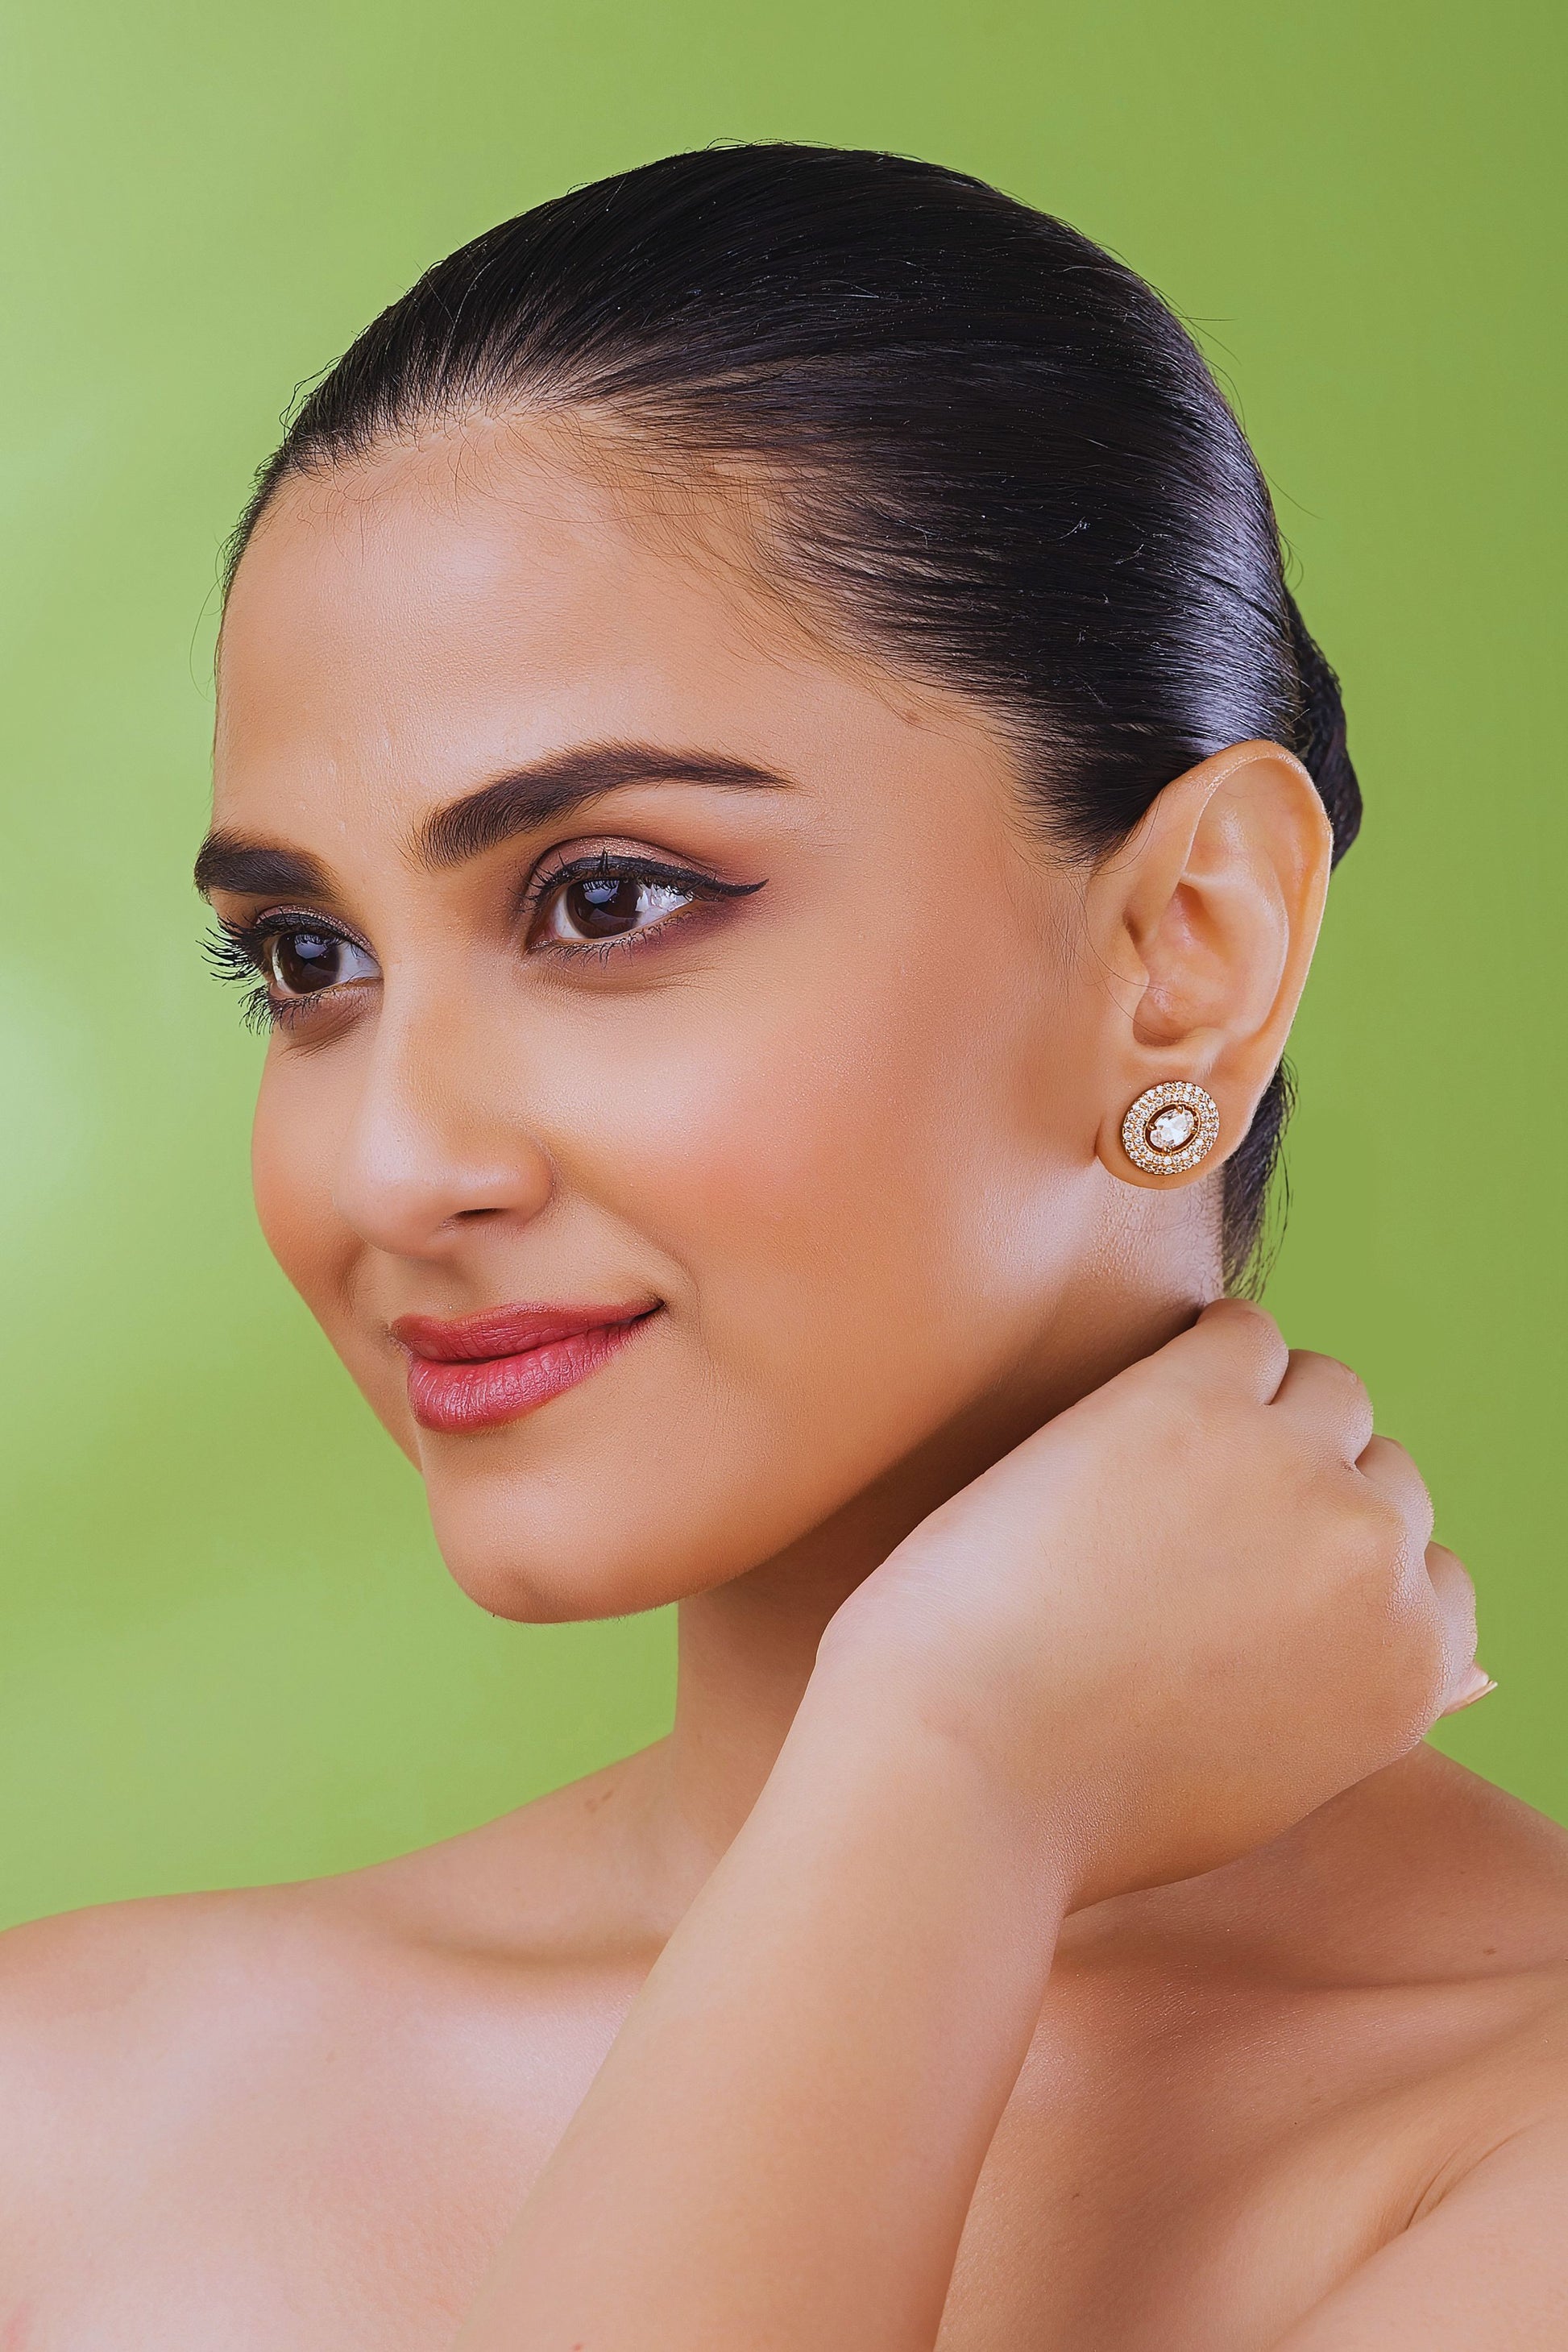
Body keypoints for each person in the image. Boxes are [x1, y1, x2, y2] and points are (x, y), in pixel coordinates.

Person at [1, 143, 1562, 2350]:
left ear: (1190, 952)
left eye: (606, 899)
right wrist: (948, 1783)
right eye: (308, 960)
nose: (391, 1170)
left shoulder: (1505, 2151)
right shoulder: (63, 2118)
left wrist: (950, 1781)